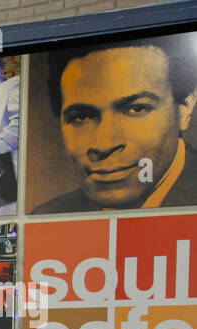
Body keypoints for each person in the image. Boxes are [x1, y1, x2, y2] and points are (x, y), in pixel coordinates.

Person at [34, 36, 197, 212]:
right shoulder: (49, 215)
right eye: (81, 117)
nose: (104, 144)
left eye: (136, 109)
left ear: (184, 109)